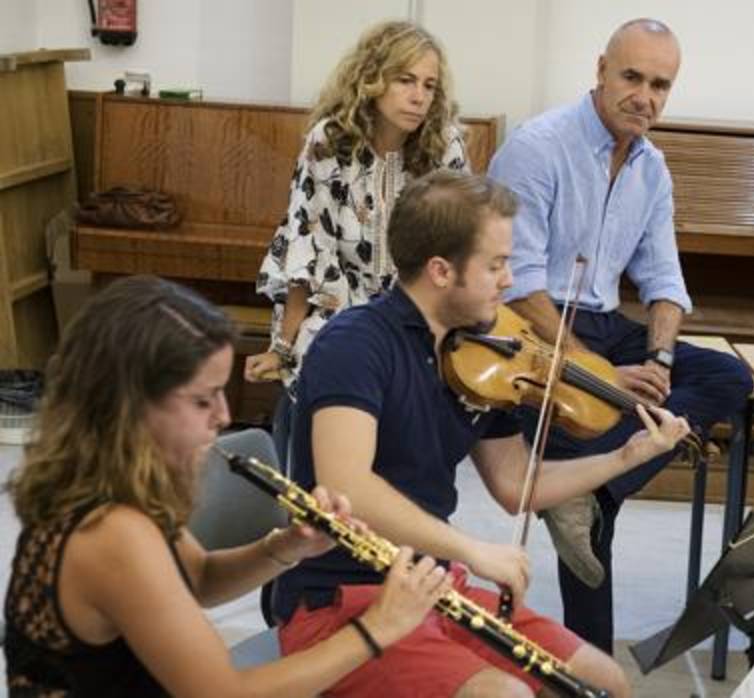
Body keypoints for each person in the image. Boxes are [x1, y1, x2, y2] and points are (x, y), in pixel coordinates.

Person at [275, 170, 688, 697]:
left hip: (432, 587)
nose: (510, 280)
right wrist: (472, 549)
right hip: (341, 599)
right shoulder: (355, 344)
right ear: (442, 271)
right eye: (495, 265)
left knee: (603, 681)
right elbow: (346, 487)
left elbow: (518, 485)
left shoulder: (480, 355)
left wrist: (628, 456)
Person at [3, 275, 451, 697]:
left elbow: (196, 578)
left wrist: (286, 547)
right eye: (202, 399)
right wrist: (378, 628)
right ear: (129, 407)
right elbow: (224, 693)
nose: (222, 415)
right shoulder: (112, 532)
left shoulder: (116, 485)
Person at [487, 18, 753, 653]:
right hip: (534, 327)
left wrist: (658, 358)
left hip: (607, 324)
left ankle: (595, 490)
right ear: (601, 70)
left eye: (661, 85)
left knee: (726, 376)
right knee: (589, 509)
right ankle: (592, 659)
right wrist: (602, 375)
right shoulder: (537, 146)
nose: (646, 97)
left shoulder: (651, 166)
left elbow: (664, 280)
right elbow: (518, 284)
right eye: (632, 77)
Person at [246, 20, 470, 467]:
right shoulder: (329, 142)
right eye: (405, 80)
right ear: (372, 78)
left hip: (415, 314)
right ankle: (303, 502)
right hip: (338, 304)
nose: (418, 96)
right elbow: (307, 245)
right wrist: (283, 348)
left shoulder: (444, 145)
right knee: (314, 368)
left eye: (428, 85)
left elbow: (457, 246)